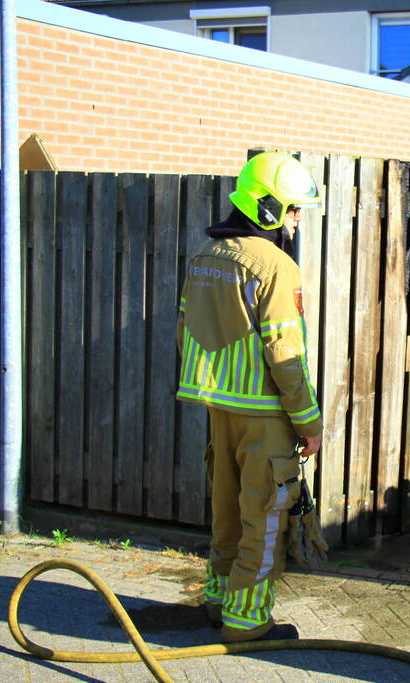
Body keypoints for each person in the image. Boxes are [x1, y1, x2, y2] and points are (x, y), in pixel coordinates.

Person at [176, 151, 323, 643]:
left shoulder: (203, 257)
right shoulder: (277, 265)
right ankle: (248, 622)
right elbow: (286, 354)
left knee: (227, 511)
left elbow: (184, 331)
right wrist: (309, 423)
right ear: (268, 209)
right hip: (266, 418)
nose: (298, 220)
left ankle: (219, 599)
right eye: (294, 209)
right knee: (263, 519)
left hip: (220, 410)